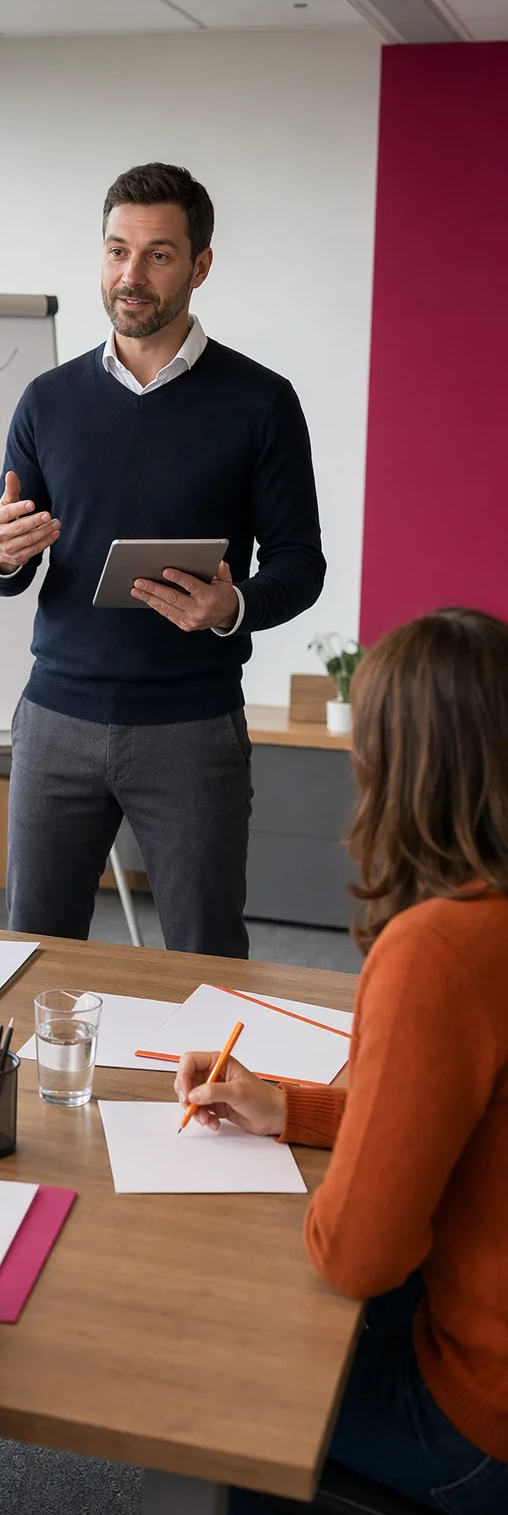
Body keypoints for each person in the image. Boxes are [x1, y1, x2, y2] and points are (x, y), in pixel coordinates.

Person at [175, 608, 508, 1514]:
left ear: (403, 769)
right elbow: (465, 1121)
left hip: (483, 1423)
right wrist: (293, 1110)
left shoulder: (439, 950)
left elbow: (357, 1256)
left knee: (228, 1369)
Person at [0, 163, 325, 958]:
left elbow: (302, 563)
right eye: (116, 251)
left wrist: (230, 607)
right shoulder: (47, 400)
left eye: (158, 255)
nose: (130, 275)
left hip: (192, 728)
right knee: (30, 954)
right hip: (55, 722)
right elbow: (7, 560)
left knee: (204, 957)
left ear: (200, 266)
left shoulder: (261, 401)